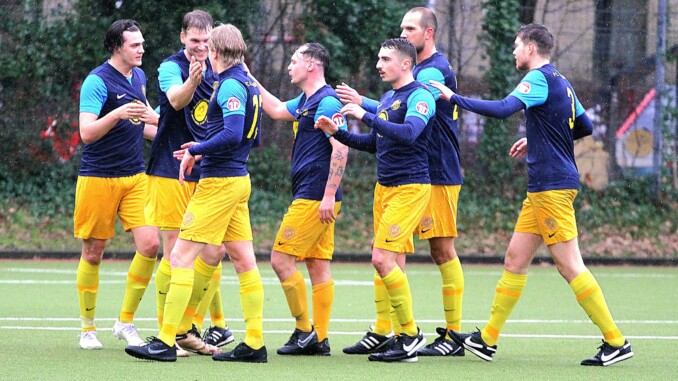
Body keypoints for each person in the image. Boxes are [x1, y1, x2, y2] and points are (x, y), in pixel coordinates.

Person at [429, 23, 634, 367]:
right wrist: (540, 139)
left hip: (552, 186)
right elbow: (584, 126)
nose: (513, 52)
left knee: (570, 265)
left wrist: (452, 97)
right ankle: (487, 340)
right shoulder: (562, 82)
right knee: (514, 259)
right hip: (544, 187)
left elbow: (502, 109)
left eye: (515, 46)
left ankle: (616, 341)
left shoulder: (537, 78)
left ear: (530, 48)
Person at [125, 23, 267, 363]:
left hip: (219, 183)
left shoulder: (231, 83)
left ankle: (165, 341)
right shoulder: (249, 82)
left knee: (180, 258)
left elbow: (233, 132)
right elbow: (254, 138)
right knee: (244, 260)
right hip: (238, 179)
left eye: (208, 46)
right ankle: (255, 343)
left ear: (216, 52)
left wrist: (199, 148)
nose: (203, 50)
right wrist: (208, 149)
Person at [336, 7, 466, 357]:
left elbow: (408, 121)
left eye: (410, 28)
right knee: (389, 254)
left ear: (428, 34)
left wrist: (363, 108)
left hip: (433, 170)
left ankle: (447, 335)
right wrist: (352, 115)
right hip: (399, 175)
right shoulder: (400, 87)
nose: (404, 32)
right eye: (401, 28)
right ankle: (391, 330)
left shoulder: (430, 72)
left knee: (439, 250)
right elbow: (392, 111)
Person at [315, 38, 435, 363]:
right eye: (378, 58)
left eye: (385, 59)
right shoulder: (388, 97)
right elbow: (373, 143)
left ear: (406, 64)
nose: (379, 64)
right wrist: (336, 132)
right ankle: (396, 335)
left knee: (381, 258)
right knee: (389, 261)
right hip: (385, 188)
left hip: (410, 188)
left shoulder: (421, 95)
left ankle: (410, 334)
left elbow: (409, 133)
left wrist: (364, 114)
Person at [248, 43, 348, 356]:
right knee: (318, 265)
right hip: (312, 193)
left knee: (280, 259)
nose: (289, 66)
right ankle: (320, 339)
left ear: (311, 66)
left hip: (316, 195)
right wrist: (247, 77)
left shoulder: (327, 101)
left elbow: (342, 148)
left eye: (294, 61)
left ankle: (305, 330)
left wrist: (329, 195)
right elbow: (277, 109)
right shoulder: (307, 99)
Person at [146, 9, 231, 356]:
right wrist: (194, 80)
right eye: (193, 41)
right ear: (183, 38)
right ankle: (167, 332)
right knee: (173, 252)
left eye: (205, 42)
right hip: (170, 167)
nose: (199, 48)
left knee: (214, 251)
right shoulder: (171, 68)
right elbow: (176, 101)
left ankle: (186, 325)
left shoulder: (220, 69)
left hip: (205, 168)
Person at [75, 19, 160, 350]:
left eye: (142, 43)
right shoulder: (97, 81)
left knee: (150, 245)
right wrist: (118, 113)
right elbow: (87, 132)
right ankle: (87, 328)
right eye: (134, 45)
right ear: (116, 47)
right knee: (93, 253)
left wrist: (186, 143)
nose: (141, 49)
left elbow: (146, 126)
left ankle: (125, 321)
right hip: (98, 177)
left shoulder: (138, 76)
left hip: (136, 176)